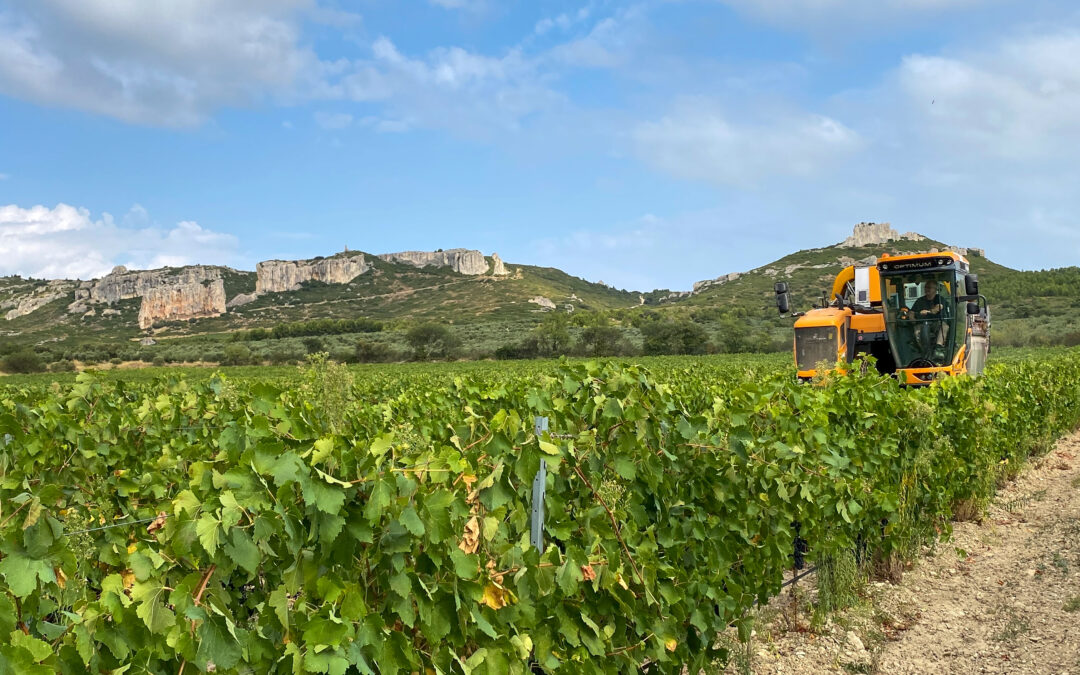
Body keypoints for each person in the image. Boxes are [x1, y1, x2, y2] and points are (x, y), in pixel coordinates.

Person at [911, 279, 951, 349]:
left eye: (929, 287)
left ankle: (938, 348)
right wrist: (912, 318)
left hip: (936, 323)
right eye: (926, 287)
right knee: (917, 331)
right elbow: (911, 312)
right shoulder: (919, 301)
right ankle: (922, 350)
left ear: (935, 289)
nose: (927, 289)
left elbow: (938, 307)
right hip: (922, 323)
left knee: (944, 326)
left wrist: (927, 312)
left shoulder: (940, 299)